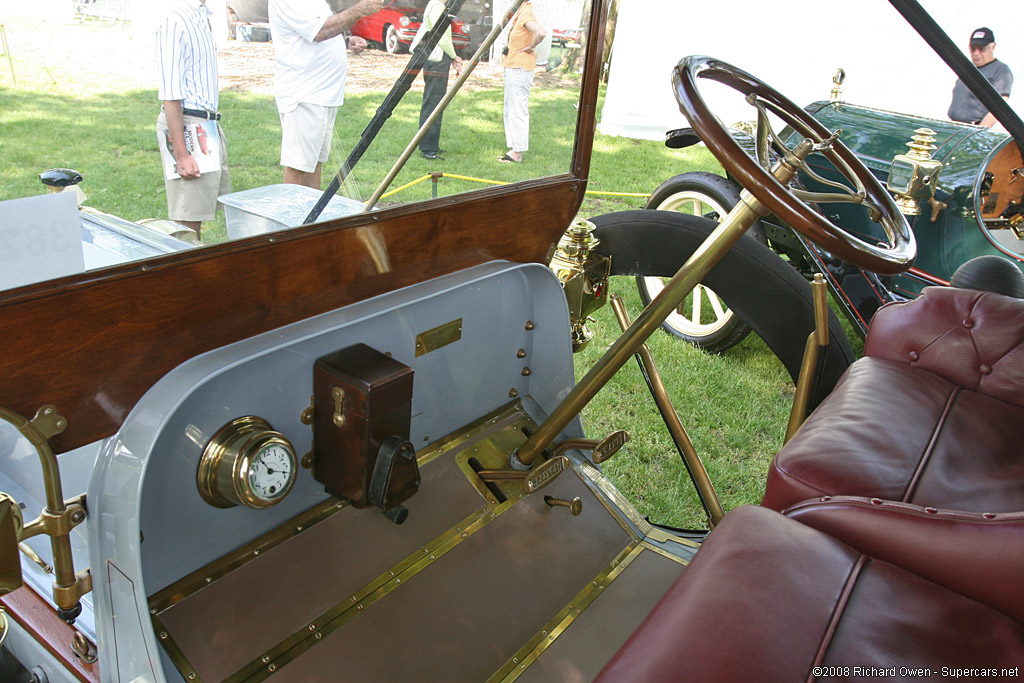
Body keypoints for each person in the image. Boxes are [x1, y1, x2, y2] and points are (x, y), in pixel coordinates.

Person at [268, 0, 384, 189]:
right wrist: (359, 10)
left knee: (314, 164)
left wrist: (346, 41)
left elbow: (320, 29)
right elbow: (320, 31)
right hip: (305, 94)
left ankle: (313, 217)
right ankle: (293, 217)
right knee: (299, 166)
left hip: (323, 95)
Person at [155, 0, 228, 239]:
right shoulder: (174, 18)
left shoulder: (201, 15)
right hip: (187, 124)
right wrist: (182, 154)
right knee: (186, 224)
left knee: (198, 216)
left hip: (207, 125)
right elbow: (170, 93)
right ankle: (182, 274)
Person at [413, 0, 464, 161]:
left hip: (438, 58)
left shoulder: (437, 6)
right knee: (433, 103)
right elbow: (441, 37)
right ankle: (427, 147)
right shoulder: (436, 6)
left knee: (436, 102)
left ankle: (432, 144)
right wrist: (454, 56)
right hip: (436, 59)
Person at [498, 0, 546, 164]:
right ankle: (513, 149)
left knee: (517, 109)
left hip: (520, 68)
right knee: (510, 108)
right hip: (513, 65)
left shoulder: (525, 12)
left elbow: (541, 33)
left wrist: (531, 47)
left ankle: (517, 153)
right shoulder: (520, 12)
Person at [948, 27, 1013, 128]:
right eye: (973, 48)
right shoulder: (968, 69)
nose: (976, 53)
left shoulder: (1001, 71)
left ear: (992, 47)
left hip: (973, 129)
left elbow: (999, 108)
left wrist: (979, 132)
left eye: (981, 48)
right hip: (955, 126)